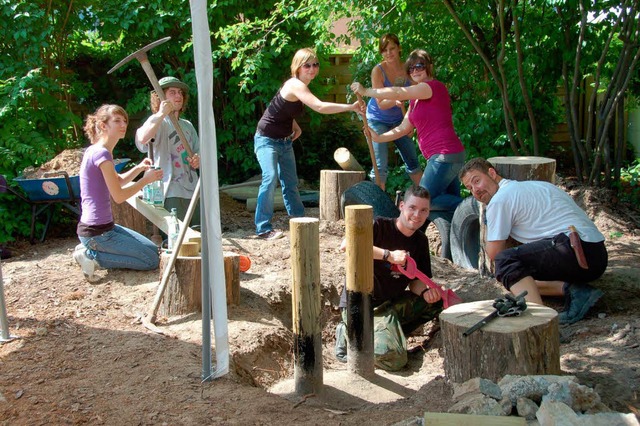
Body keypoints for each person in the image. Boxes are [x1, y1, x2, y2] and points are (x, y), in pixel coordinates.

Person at [459, 157, 608, 324]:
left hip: (573, 249)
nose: (475, 190)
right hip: (596, 254)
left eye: (476, 181)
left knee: (505, 262)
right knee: (520, 278)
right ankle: (575, 290)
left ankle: (539, 322)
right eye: (469, 188)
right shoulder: (538, 186)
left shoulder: (500, 199)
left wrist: (488, 219)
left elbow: (494, 253)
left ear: (492, 173)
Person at [254, 47, 364, 240]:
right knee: (270, 179)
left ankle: (299, 220)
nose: (312, 69)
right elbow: (320, 107)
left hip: (285, 142)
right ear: (298, 67)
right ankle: (263, 228)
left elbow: (280, 110)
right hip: (266, 140)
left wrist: (294, 126)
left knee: (291, 183)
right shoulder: (295, 84)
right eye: (307, 65)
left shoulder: (301, 86)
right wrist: (351, 107)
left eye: (315, 65)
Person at [335, 185, 444, 370]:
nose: (417, 214)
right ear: (401, 206)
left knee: (436, 303)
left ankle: (384, 336)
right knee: (396, 360)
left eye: (423, 210)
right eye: (412, 208)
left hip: (389, 306)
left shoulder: (420, 241)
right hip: (362, 307)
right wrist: (389, 255)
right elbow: (347, 245)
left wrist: (426, 292)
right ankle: (350, 334)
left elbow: (416, 280)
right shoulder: (379, 225)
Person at [351, 49, 465, 216]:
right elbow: (404, 128)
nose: (415, 71)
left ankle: (478, 204)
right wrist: (379, 137)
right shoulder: (415, 99)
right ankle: (458, 235)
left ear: (429, 67)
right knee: (450, 210)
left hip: (444, 155)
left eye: (419, 66)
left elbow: (398, 92)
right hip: (444, 157)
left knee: (422, 202)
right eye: (411, 69)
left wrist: (367, 91)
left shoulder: (432, 87)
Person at [74, 105, 163, 282]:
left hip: (106, 228)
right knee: (151, 261)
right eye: (117, 121)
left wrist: (138, 168)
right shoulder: (102, 154)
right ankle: (91, 256)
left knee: (153, 250)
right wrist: (146, 180)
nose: (123, 124)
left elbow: (118, 180)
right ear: (103, 125)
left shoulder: (97, 150)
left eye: (124, 121)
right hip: (97, 233)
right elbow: (119, 196)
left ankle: (90, 251)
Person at [135, 76, 200, 226]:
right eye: (172, 92)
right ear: (160, 98)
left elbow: (199, 152)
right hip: (168, 190)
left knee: (196, 235)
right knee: (176, 237)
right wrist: (161, 114)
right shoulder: (156, 121)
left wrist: (198, 159)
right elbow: (142, 140)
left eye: (180, 92)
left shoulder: (188, 125)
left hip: (192, 189)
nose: (178, 96)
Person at [365, 34, 422, 190]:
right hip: (377, 120)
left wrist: (411, 122)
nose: (388, 53)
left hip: (399, 120)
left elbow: (415, 96)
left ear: (399, 48)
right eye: (384, 50)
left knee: (413, 161)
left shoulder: (407, 70)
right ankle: (378, 206)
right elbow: (381, 103)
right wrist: (398, 98)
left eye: (392, 49)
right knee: (380, 167)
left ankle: (427, 201)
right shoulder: (378, 71)